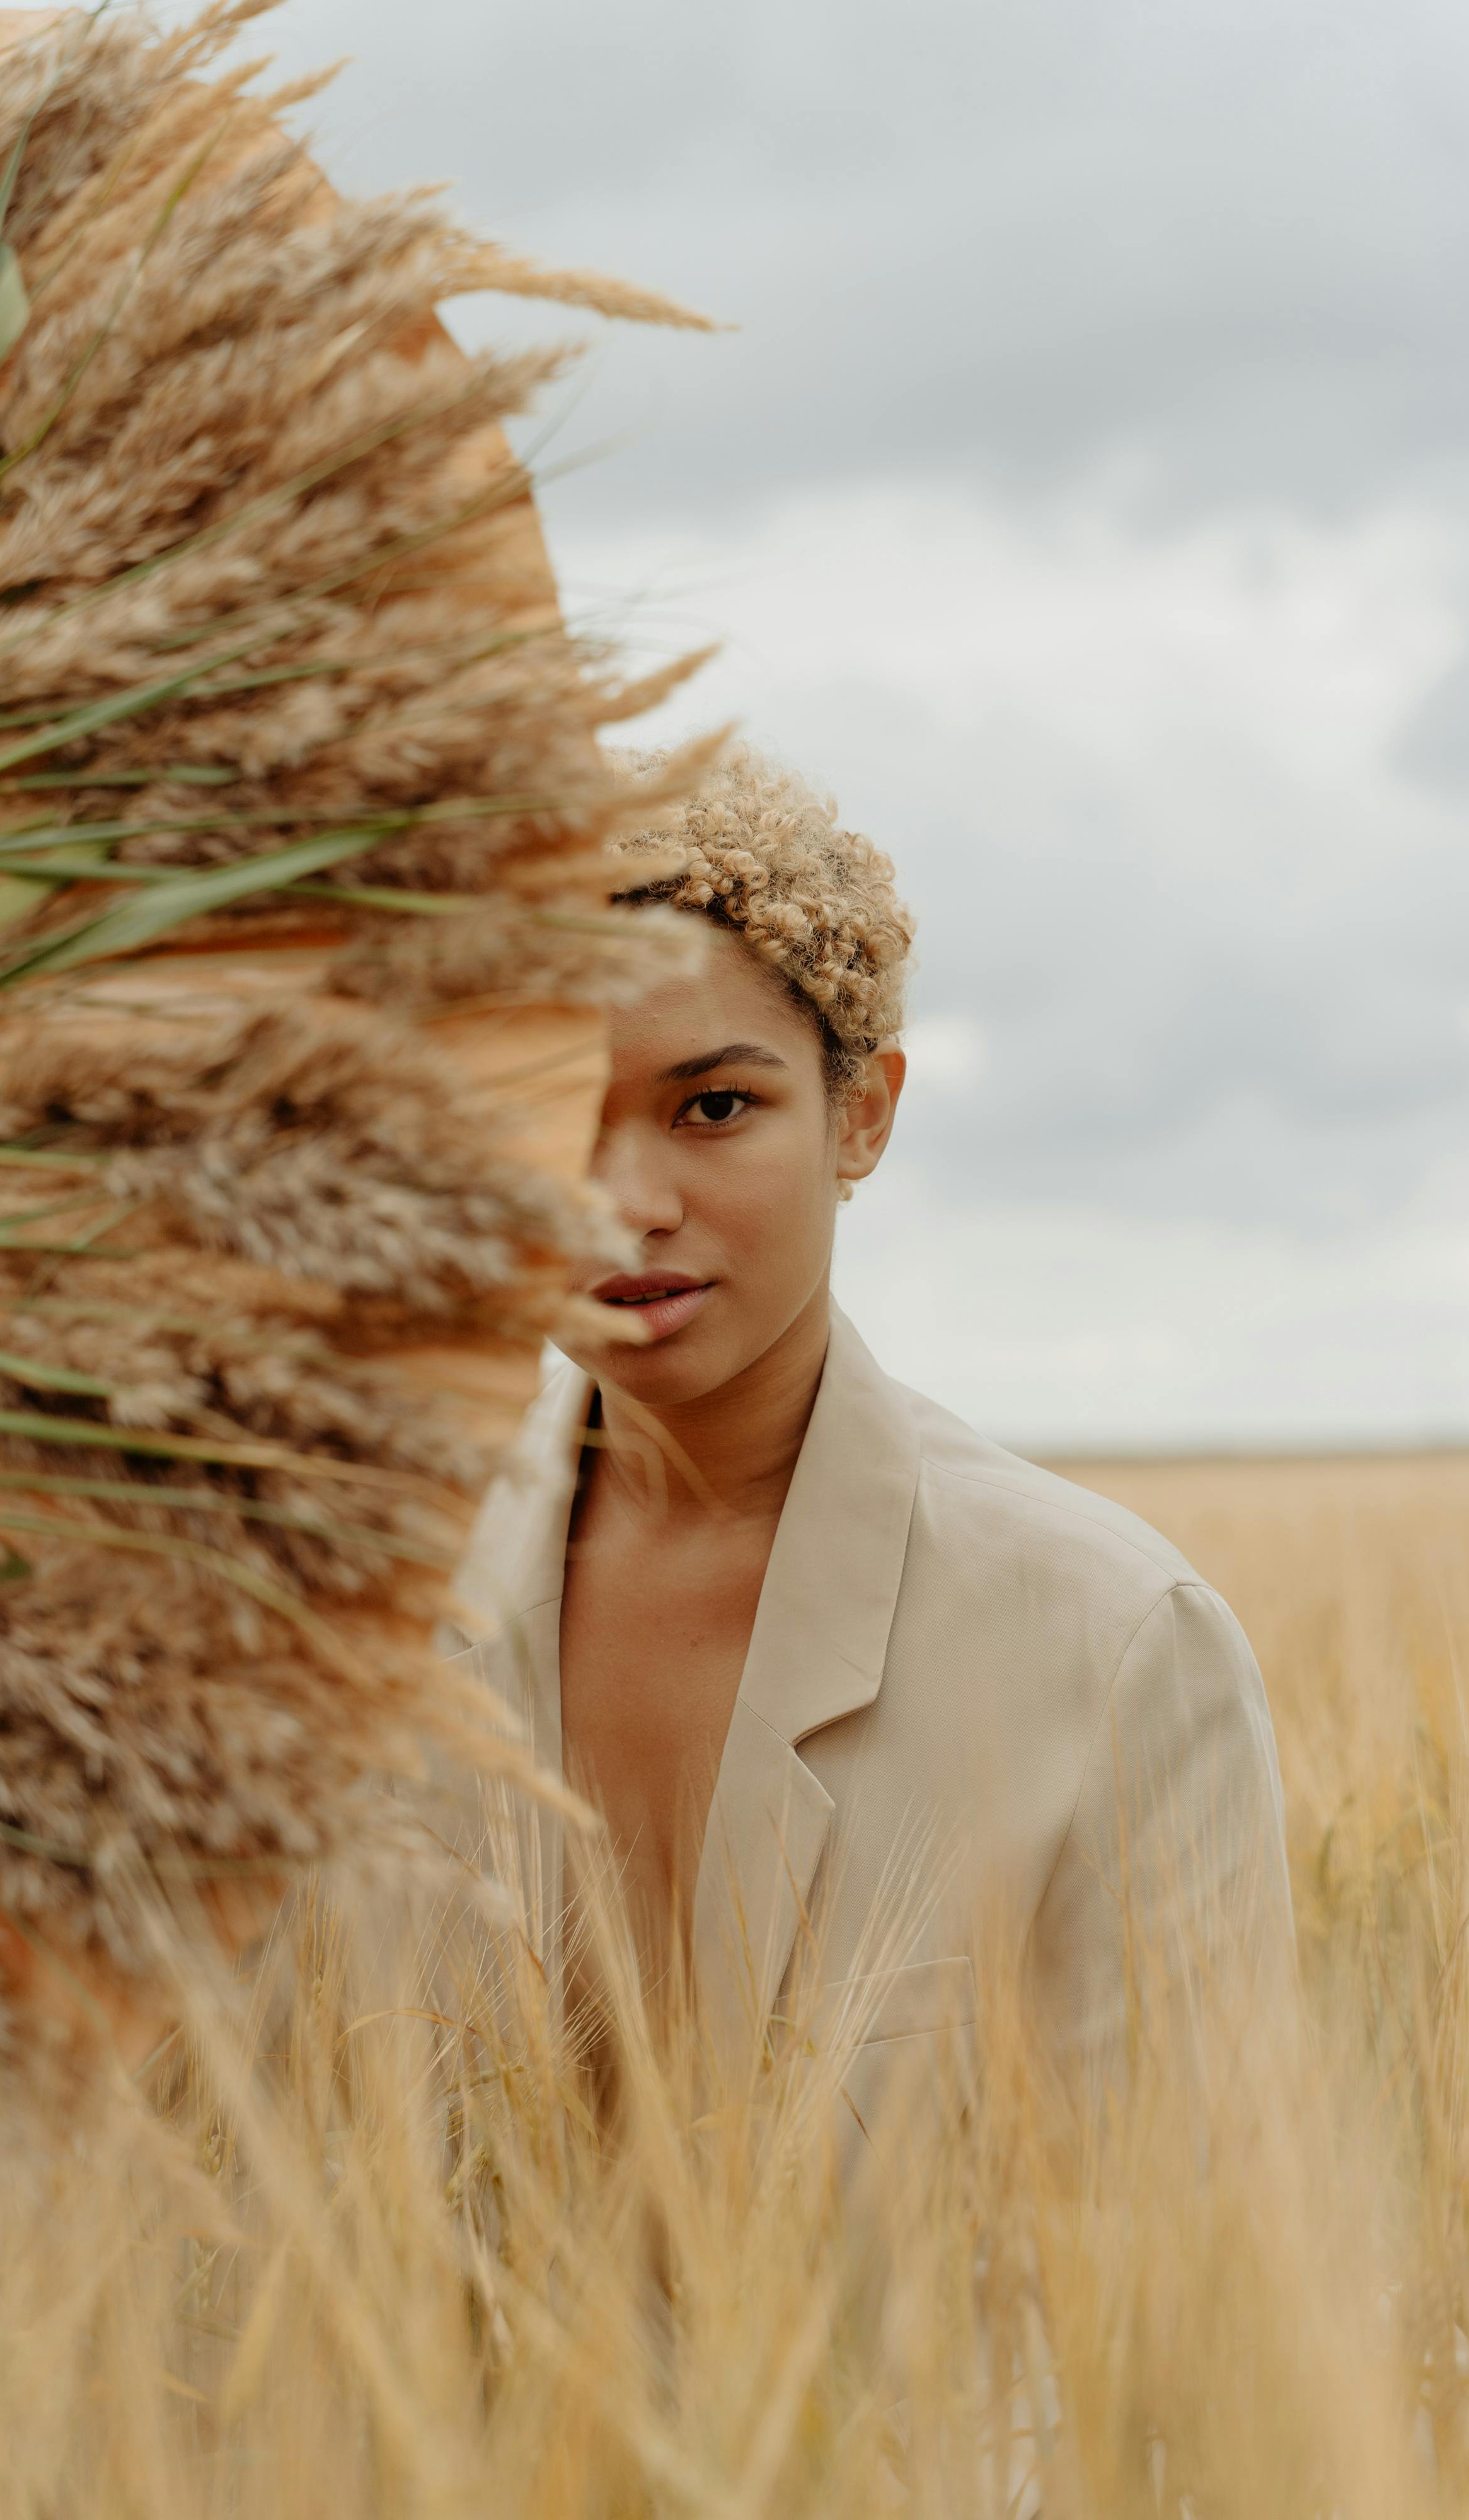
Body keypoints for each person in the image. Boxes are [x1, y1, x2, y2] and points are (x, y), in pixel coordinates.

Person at [444, 748, 1293, 2093]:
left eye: (713, 1106)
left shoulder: (1119, 1647)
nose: (625, 1202)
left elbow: (1188, 2248)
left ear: (862, 1113)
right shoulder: (344, 1609)